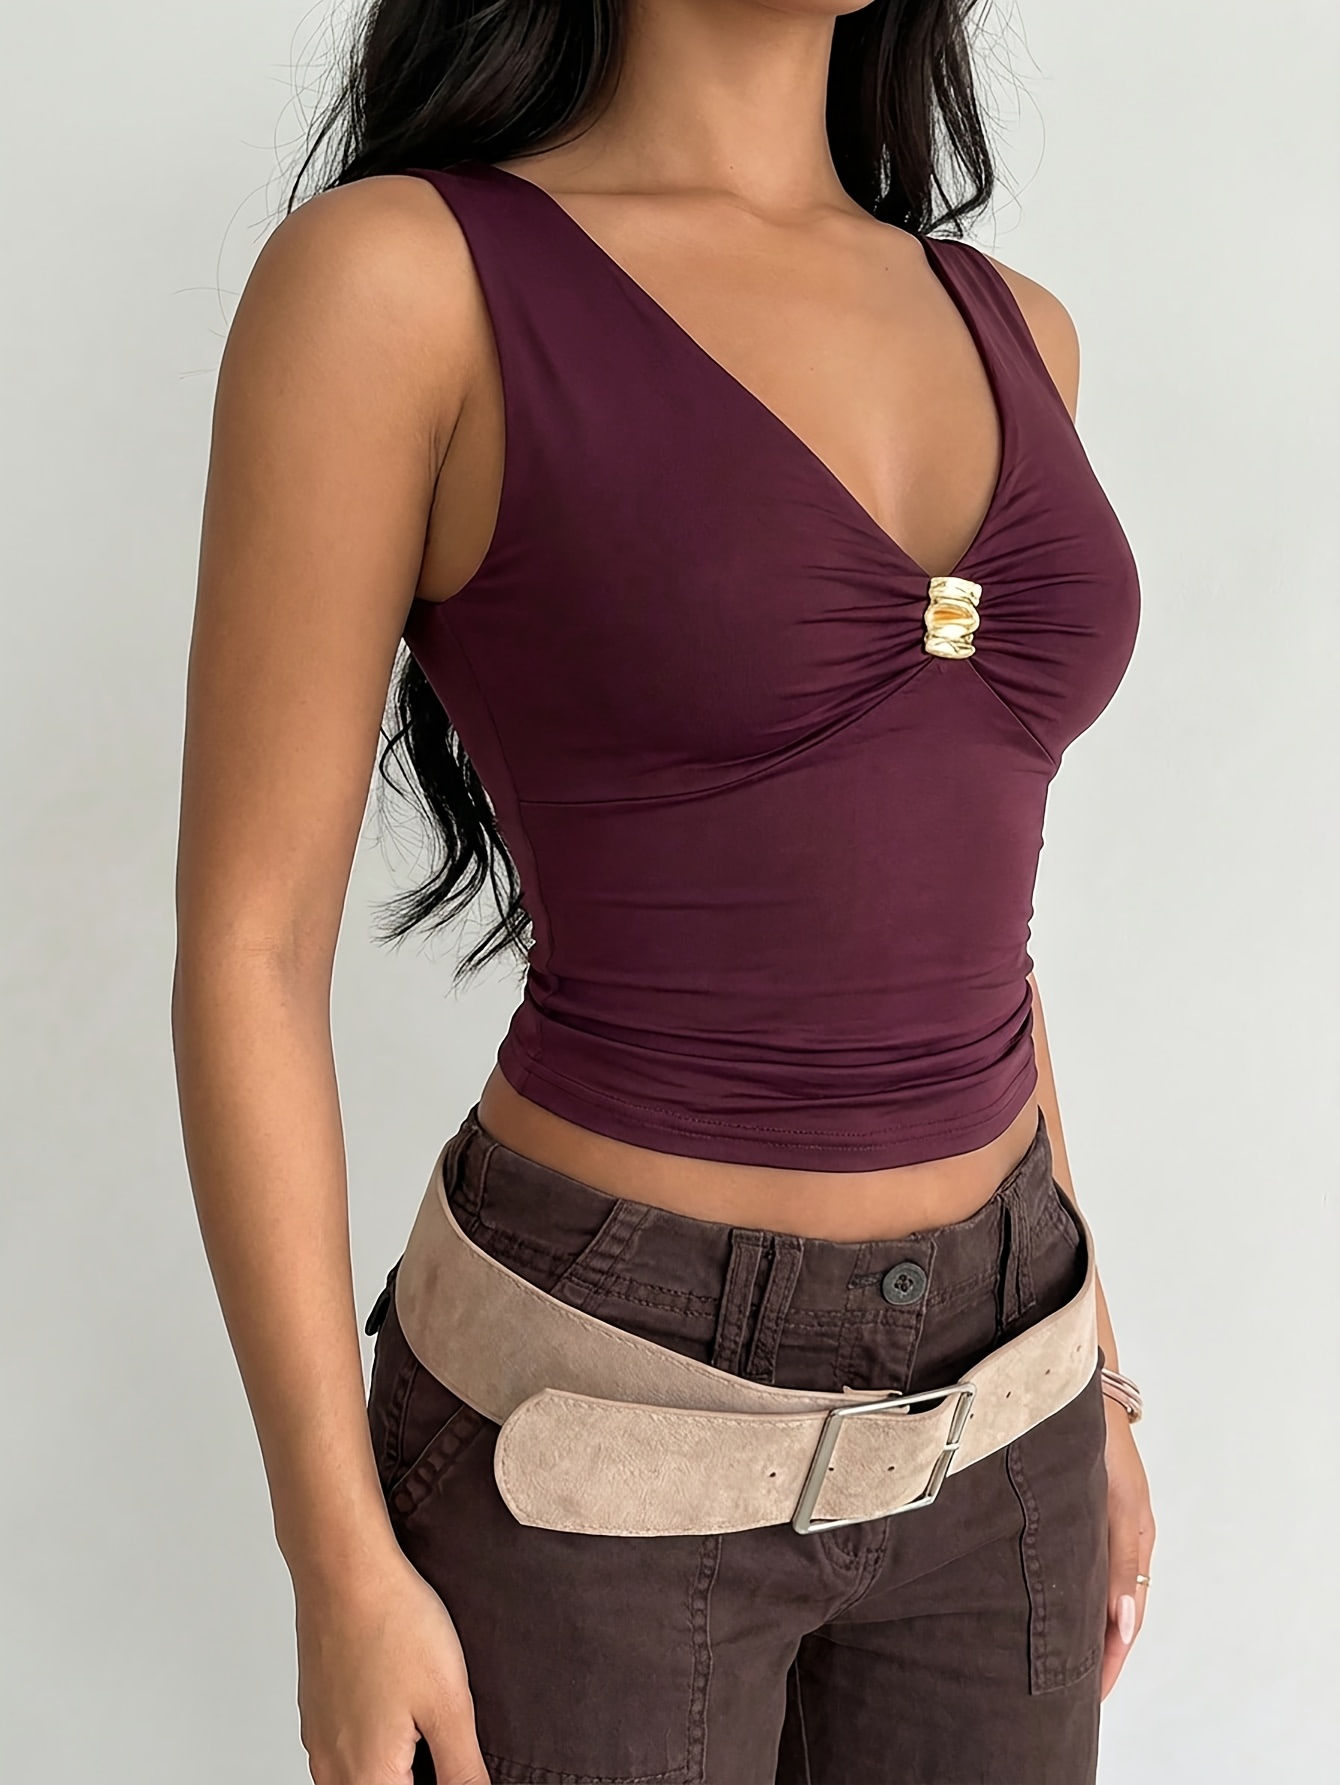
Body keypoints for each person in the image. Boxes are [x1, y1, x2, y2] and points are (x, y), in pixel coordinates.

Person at [172, 2, 1155, 1781]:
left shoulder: (1018, 327)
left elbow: (968, 925)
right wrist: (333, 1556)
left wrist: (1098, 1371)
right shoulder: (404, 281)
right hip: (593, 1421)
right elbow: (250, 947)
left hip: (1009, 1402)